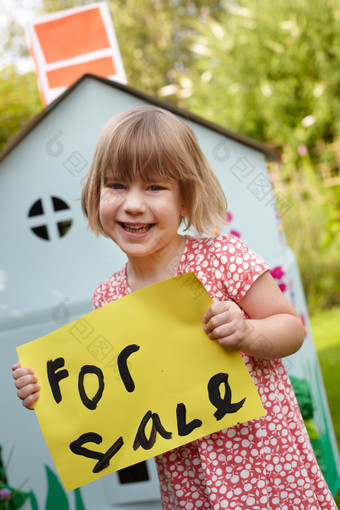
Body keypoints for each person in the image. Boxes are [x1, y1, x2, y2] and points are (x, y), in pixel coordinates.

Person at [13, 106, 337, 510]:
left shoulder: (221, 257)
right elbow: (119, 394)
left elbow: (291, 328)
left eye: (154, 187)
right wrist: (49, 394)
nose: (133, 204)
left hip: (268, 470)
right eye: (116, 185)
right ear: (96, 193)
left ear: (185, 198)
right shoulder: (109, 298)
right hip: (190, 487)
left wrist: (249, 333)